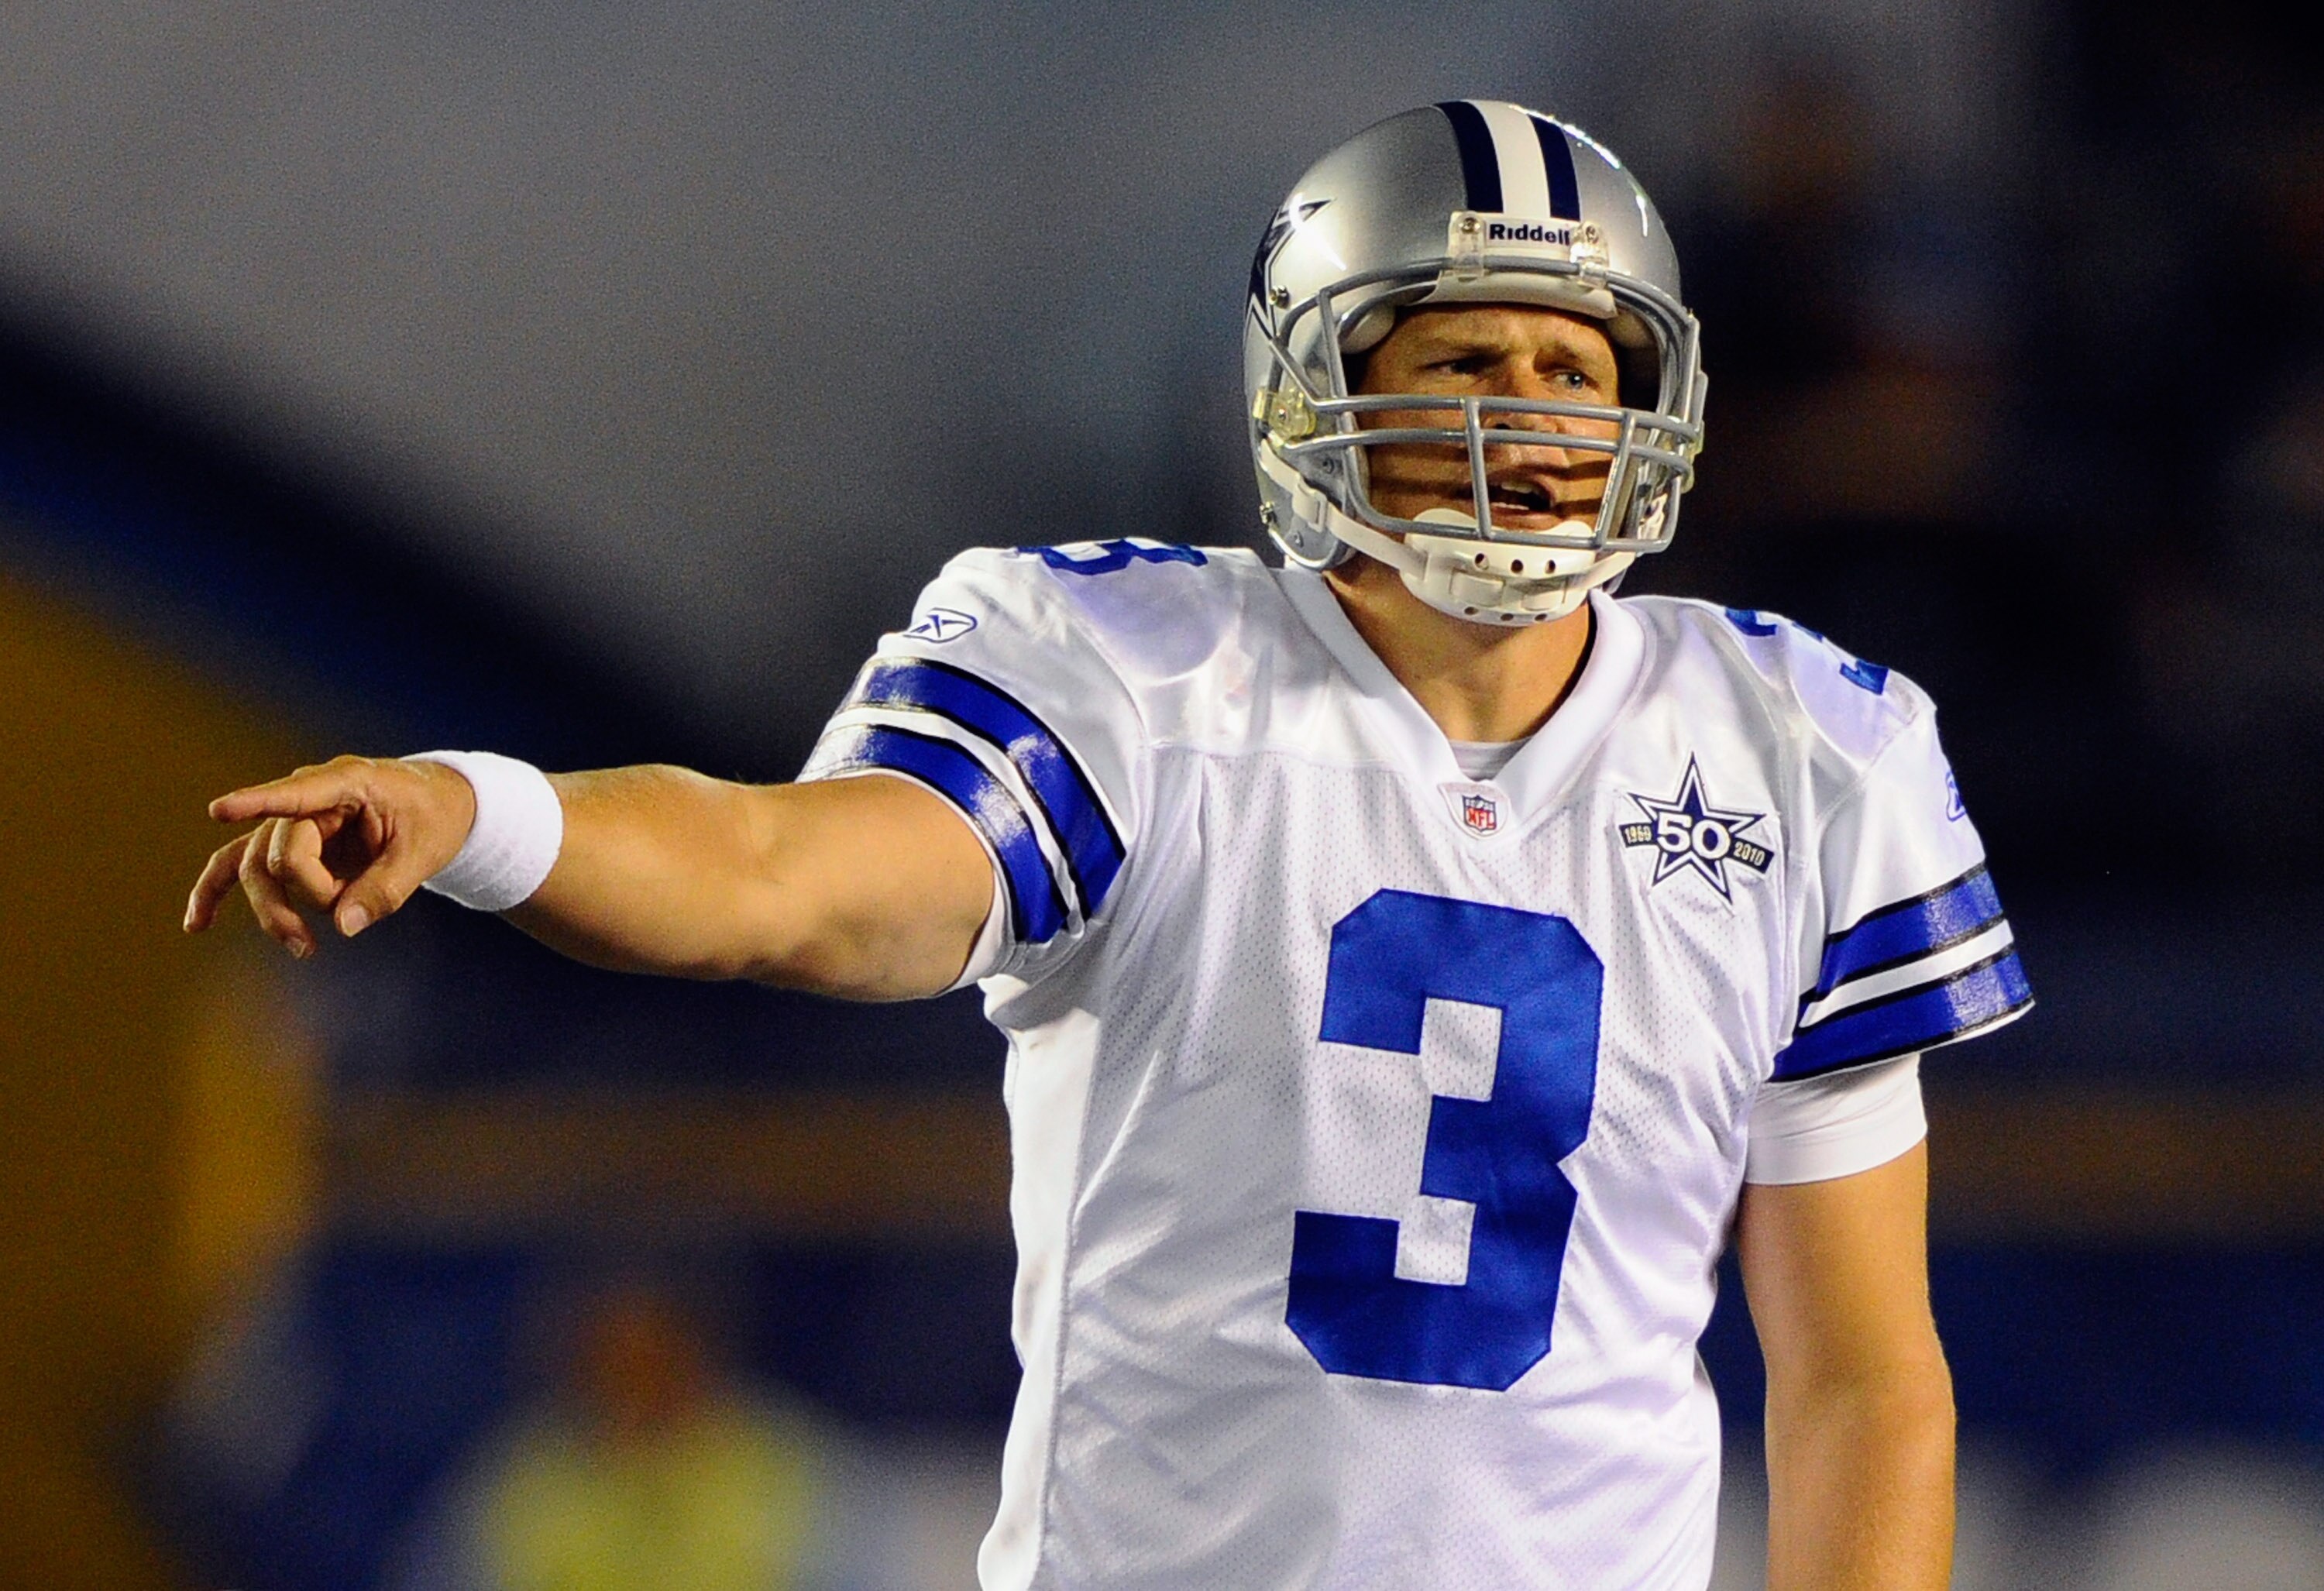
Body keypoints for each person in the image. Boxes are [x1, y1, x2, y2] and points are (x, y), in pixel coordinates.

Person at [187, 101, 2030, 1589]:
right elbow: (782, 880)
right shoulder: (1140, 682)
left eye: (1575, 360)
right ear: (1323, 389)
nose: (1531, 419)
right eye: (1467, 356)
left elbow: (1863, 1377)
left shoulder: (1808, 752)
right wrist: (482, 809)